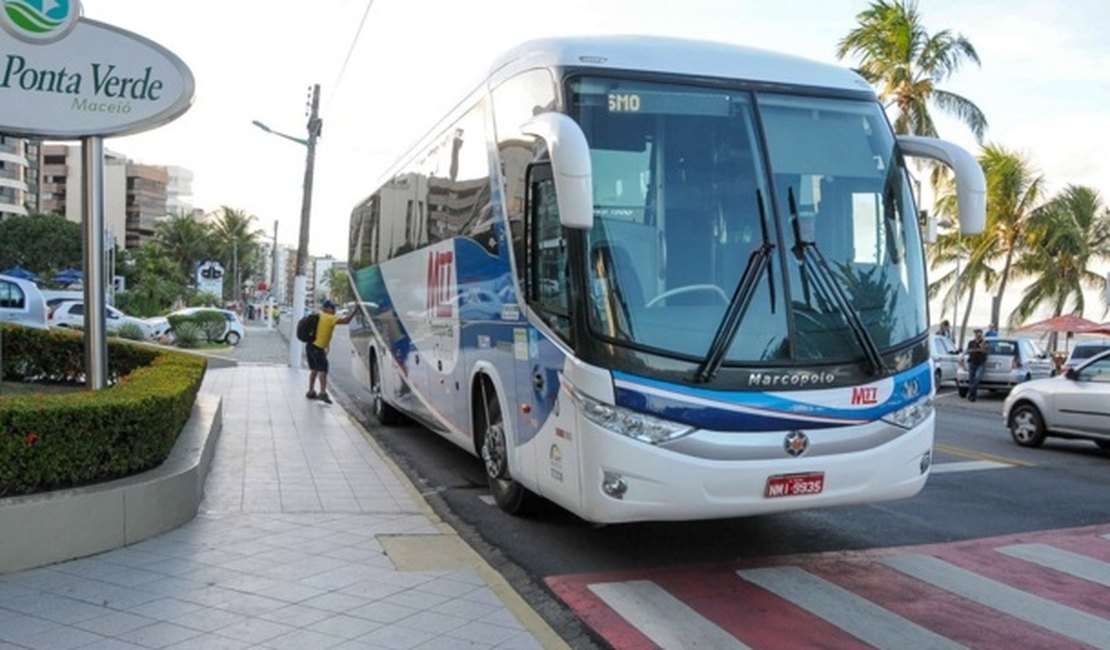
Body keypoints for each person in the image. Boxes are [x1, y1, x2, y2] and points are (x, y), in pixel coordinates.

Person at [306, 299, 355, 404]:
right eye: (332, 308)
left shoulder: (319, 315)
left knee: (314, 369)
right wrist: (356, 310)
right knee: (323, 369)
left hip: (310, 345)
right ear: (327, 308)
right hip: (317, 348)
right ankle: (322, 393)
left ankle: (311, 391)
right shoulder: (329, 317)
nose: (334, 309)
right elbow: (346, 321)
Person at [965, 328, 989, 402]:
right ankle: (973, 396)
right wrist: (977, 349)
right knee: (971, 380)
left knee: (977, 378)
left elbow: (984, 350)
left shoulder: (985, 342)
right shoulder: (971, 342)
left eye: (978, 333)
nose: (977, 335)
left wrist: (977, 349)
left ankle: (970, 391)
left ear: (981, 334)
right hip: (972, 362)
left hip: (981, 363)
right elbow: (968, 350)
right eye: (975, 333)